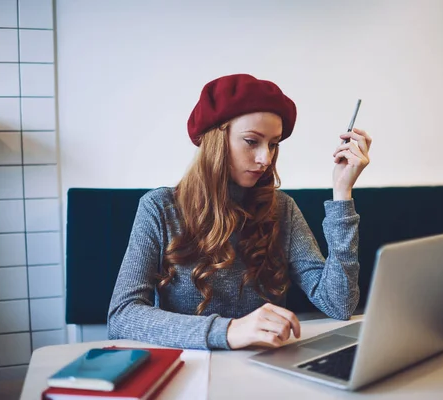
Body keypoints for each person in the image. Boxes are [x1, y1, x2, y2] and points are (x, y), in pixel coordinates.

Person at [107, 73, 372, 350]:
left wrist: (342, 194)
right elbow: (122, 316)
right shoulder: (159, 208)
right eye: (251, 141)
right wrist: (229, 330)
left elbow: (338, 303)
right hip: (190, 370)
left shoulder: (282, 208)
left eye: (273, 144)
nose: (265, 159)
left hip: (265, 367)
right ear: (216, 141)